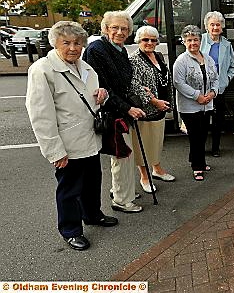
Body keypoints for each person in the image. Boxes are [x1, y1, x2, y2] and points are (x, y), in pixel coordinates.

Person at [26, 21, 118, 251]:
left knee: (92, 182)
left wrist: (103, 95)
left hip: (90, 139)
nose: (73, 48)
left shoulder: (85, 67)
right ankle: (70, 230)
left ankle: (93, 214)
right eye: (66, 42)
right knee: (69, 190)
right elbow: (41, 115)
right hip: (67, 144)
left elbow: (93, 98)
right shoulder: (43, 70)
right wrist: (55, 151)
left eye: (77, 43)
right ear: (55, 43)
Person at [83, 11, 146, 213]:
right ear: (106, 29)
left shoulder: (120, 49)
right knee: (122, 154)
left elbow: (124, 82)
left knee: (122, 155)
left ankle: (121, 189)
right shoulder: (96, 50)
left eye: (124, 29)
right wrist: (128, 107)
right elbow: (102, 87)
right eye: (115, 28)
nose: (120, 32)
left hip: (121, 109)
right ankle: (122, 199)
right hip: (112, 111)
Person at [129, 26, 175, 194]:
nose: (149, 43)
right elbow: (134, 86)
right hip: (146, 110)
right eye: (145, 40)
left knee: (156, 142)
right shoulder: (134, 60)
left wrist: (166, 102)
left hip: (161, 109)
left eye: (153, 40)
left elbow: (164, 77)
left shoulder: (158, 55)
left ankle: (157, 169)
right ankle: (144, 176)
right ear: (138, 41)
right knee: (144, 145)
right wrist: (154, 101)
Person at [174, 25, 219, 181]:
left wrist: (213, 92)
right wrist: (197, 96)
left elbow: (215, 78)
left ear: (200, 41)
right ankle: (197, 167)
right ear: (184, 42)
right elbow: (178, 83)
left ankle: (198, 160)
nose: (193, 43)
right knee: (195, 137)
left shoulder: (208, 58)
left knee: (203, 135)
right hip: (190, 106)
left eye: (195, 39)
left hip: (207, 104)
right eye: (189, 40)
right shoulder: (181, 61)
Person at [200, 11, 234, 157]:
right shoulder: (200, 40)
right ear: (207, 26)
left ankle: (215, 148)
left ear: (222, 27)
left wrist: (226, 80)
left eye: (218, 25)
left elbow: (232, 66)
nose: (215, 27)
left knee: (218, 119)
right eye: (212, 24)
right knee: (201, 119)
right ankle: (200, 148)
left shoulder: (227, 44)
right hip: (202, 88)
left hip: (219, 88)